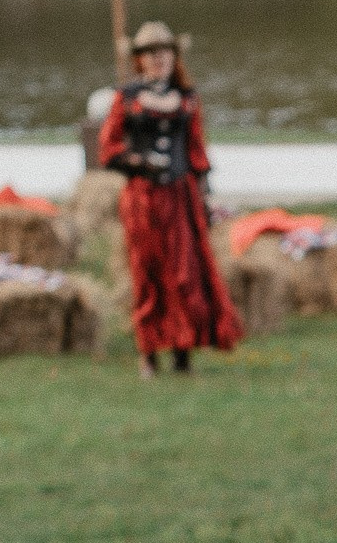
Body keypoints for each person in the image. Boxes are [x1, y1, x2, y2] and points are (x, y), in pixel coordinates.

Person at [98, 19, 243, 379]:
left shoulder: (187, 99)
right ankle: (149, 354)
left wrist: (205, 197)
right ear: (140, 59)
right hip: (143, 199)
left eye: (164, 52)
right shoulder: (127, 98)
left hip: (181, 198)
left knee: (185, 276)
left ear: (173, 56)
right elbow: (108, 149)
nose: (158, 59)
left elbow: (197, 151)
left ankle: (183, 351)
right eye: (150, 53)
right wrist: (140, 161)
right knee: (147, 273)